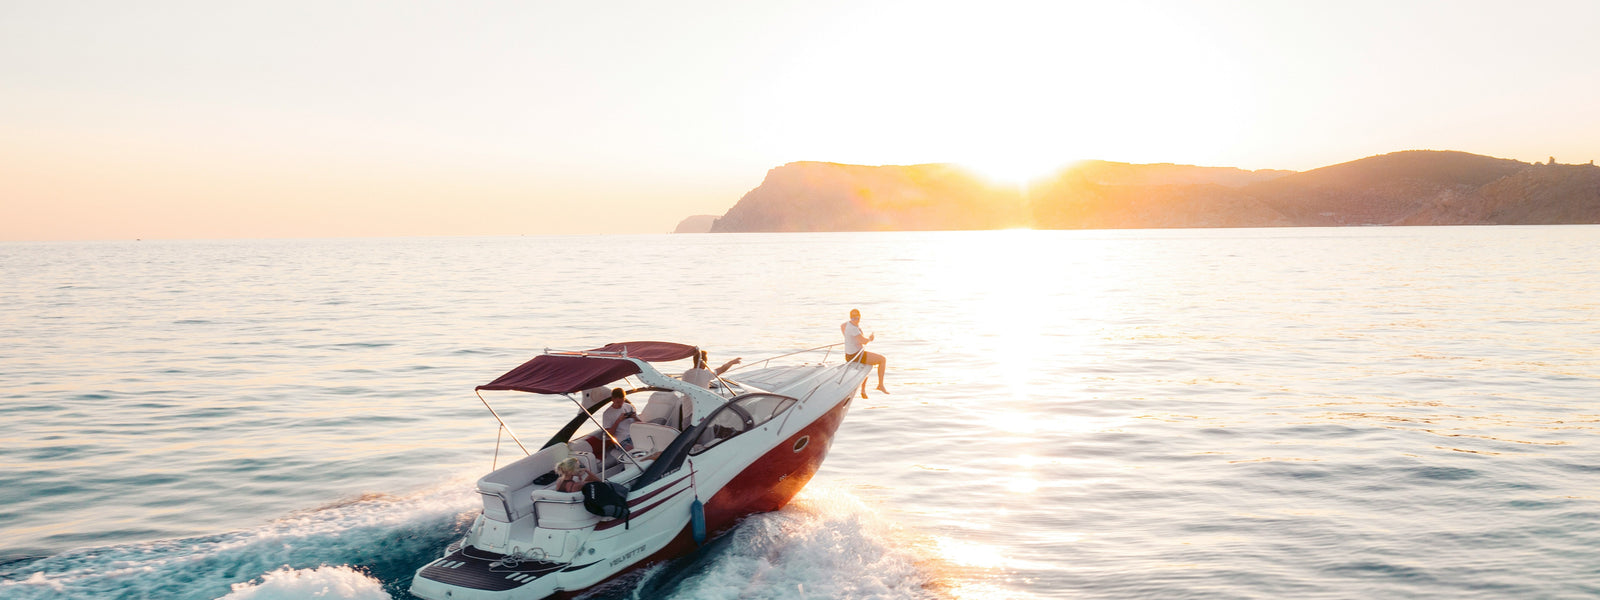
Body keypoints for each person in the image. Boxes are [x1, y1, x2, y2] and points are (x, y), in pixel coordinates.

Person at [842, 308, 888, 398]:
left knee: (867, 365)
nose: (855, 320)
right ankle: (880, 385)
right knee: (882, 360)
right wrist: (870, 338)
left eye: (857, 318)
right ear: (850, 318)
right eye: (853, 318)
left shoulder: (847, 324)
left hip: (850, 355)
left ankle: (863, 390)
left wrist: (847, 339)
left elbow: (841, 326)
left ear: (859, 317)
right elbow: (864, 341)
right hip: (855, 356)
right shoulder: (853, 329)